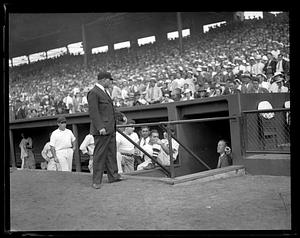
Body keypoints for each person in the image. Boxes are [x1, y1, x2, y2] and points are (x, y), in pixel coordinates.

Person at [87, 71, 126, 189]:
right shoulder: (93, 92)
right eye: (110, 80)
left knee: (111, 153)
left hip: (110, 128)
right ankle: (97, 180)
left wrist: (121, 116)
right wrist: (100, 127)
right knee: (99, 155)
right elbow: (94, 112)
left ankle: (113, 176)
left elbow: (110, 109)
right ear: (104, 80)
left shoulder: (104, 92)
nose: (111, 82)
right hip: (102, 129)